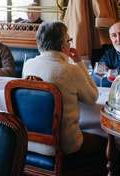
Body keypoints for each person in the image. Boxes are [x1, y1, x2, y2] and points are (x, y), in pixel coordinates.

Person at [22, 21, 104, 157]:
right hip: (63, 145)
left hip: (30, 143)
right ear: (62, 44)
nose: (70, 44)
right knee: (105, 140)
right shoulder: (69, 70)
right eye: (69, 40)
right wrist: (79, 62)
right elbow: (92, 97)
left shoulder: (28, 65)